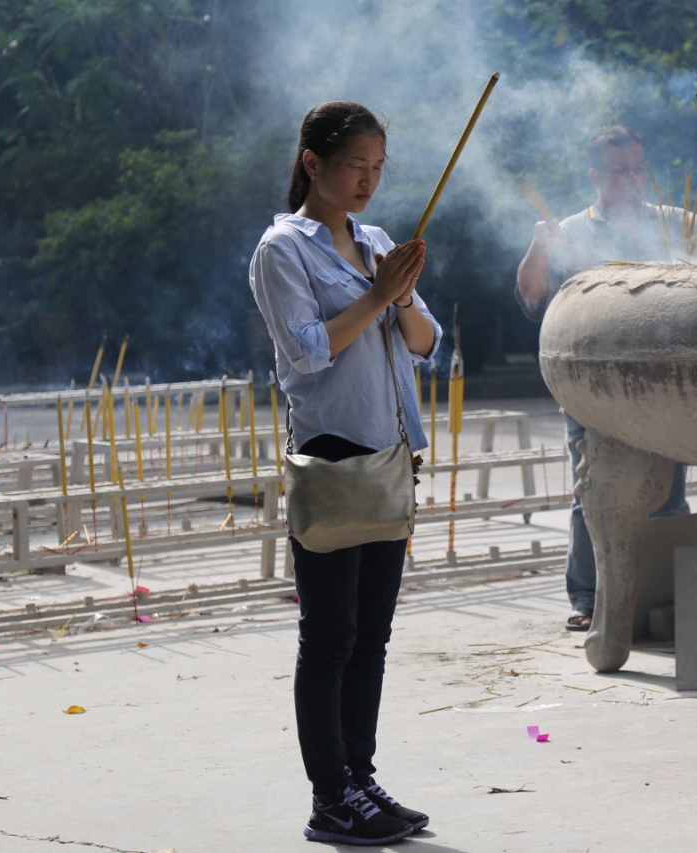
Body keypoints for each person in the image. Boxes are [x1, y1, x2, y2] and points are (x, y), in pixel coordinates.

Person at [250, 101, 441, 846]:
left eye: (378, 167)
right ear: (312, 163)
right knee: (329, 634)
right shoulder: (282, 248)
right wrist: (377, 295)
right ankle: (329, 795)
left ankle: (360, 779)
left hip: (392, 452)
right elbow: (306, 352)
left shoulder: (377, 242)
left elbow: (424, 340)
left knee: (373, 635)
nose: (368, 179)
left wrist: (402, 289)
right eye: (356, 164)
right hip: (332, 454)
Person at [516, 125, 697, 632]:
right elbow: (530, 295)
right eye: (619, 171)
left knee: (667, 492)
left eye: (638, 169)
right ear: (594, 176)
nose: (631, 180)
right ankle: (589, 597)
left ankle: (663, 595)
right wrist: (540, 247)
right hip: (594, 388)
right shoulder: (571, 231)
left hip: (662, 386)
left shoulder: (675, 222)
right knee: (595, 488)